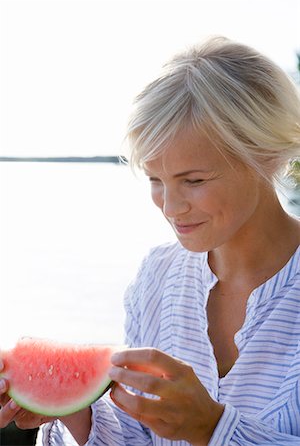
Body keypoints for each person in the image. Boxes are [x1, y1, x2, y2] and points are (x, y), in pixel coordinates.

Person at [1, 35, 300, 445]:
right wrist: (79, 410)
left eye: (194, 181)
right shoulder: (158, 277)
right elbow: (139, 436)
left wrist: (213, 430)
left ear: (266, 156)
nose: (171, 207)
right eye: (156, 180)